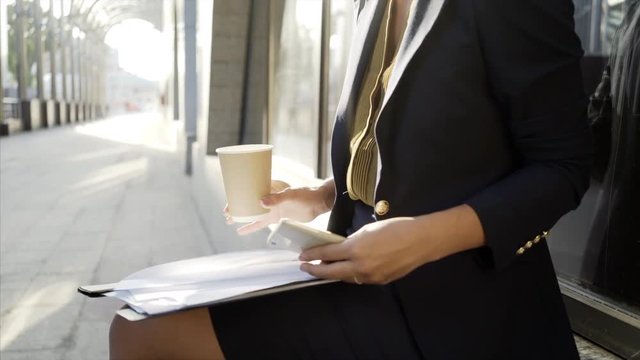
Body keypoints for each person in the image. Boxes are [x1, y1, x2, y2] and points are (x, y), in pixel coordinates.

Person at [109, 0, 592, 358]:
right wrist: (320, 195)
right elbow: (399, 145)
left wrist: (423, 238)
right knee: (137, 323)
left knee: (147, 335)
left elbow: (563, 168)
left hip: (462, 304)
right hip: (354, 276)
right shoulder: (370, 5)